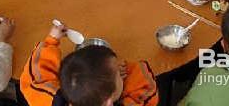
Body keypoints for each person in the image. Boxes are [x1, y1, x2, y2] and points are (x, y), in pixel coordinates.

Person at [20, 22, 159, 106]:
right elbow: (147, 88)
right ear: (109, 102)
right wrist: (128, 71)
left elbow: (35, 77)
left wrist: (52, 40)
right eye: (117, 72)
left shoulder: (53, 101)